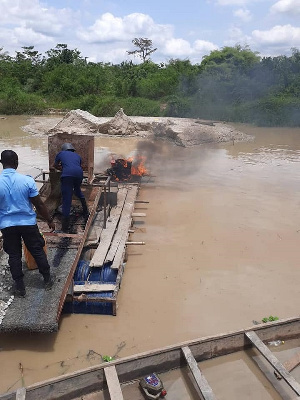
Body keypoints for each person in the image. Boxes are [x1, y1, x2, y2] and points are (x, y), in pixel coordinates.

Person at [0, 150, 55, 297]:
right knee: (37, 249)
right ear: (16, 163)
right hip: (28, 223)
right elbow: (39, 204)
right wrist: (49, 220)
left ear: (1, 163)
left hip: (7, 225)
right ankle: (47, 280)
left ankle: (20, 288)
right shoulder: (27, 180)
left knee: (14, 255)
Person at [52, 142, 88, 232]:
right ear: (72, 149)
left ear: (64, 149)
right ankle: (86, 211)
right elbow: (78, 166)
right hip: (79, 174)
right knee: (77, 191)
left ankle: (65, 228)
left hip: (67, 176)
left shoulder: (60, 154)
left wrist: (62, 168)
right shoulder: (77, 156)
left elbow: (54, 165)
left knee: (66, 199)